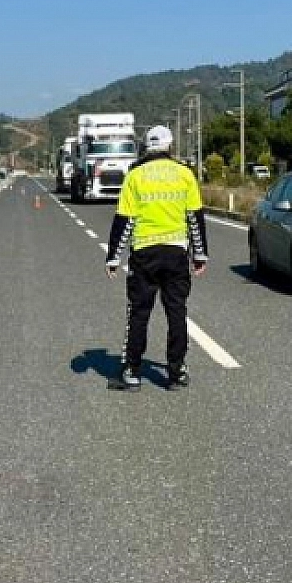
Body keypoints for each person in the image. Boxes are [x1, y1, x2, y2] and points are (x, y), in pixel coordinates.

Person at [103, 124, 207, 391]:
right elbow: (194, 217)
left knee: (139, 313)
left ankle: (132, 372)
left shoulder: (135, 175)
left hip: (144, 252)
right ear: (170, 145)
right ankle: (176, 372)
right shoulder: (185, 174)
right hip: (176, 252)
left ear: (147, 147)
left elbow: (124, 219)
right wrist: (200, 254)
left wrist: (114, 257)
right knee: (176, 311)